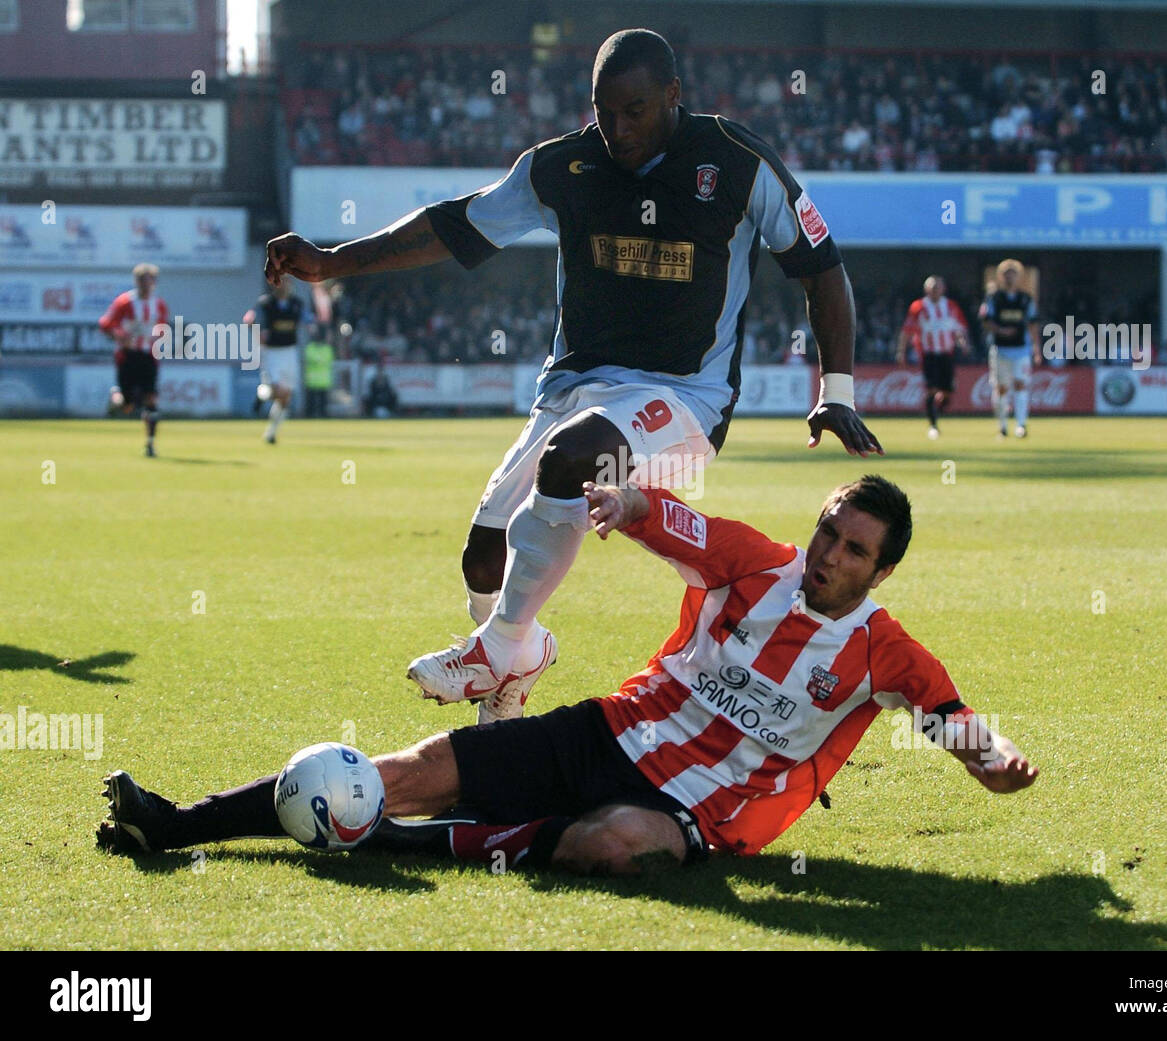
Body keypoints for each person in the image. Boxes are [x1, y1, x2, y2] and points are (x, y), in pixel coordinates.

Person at [262, 29, 883, 726]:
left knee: (575, 454)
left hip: (685, 401)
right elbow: (454, 226)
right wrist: (331, 261)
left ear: (674, 97)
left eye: (635, 111)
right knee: (482, 560)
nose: (616, 130)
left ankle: (495, 646)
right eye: (603, 111)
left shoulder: (737, 165)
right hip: (573, 389)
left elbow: (821, 267)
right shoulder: (564, 166)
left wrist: (837, 392)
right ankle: (509, 692)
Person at [95, 475, 1038, 875]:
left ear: (881, 570)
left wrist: (992, 757)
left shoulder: (885, 651)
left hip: (697, 815)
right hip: (608, 729)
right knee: (411, 771)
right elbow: (681, 524)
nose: (827, 552)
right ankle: (176, 824)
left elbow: (948, 716)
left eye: (851, 548)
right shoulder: (761, 563)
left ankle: (381, 844)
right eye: (828, 530)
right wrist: (628, 501)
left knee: (609, 847)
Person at [98, 263, 167, 457]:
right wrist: (119, 335)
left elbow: (162, 328)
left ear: (154, 282)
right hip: (127, 356)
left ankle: (150, 444)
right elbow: (105, 324)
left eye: (150, 281)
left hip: (149, 356)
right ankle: (116, 397)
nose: (146, 285)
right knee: (127, 406)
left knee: (151, 399)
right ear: (136, 282)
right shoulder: (124, 302)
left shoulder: (159, 304)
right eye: (142, 281)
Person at [896, 276, 969, 439]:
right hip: (928, 353)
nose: (935, 290)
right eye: (932, 287)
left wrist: (963, 343)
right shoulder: (918, 307)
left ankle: (937, 409)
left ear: (943, 289)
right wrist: (901, 351)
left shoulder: (950, 306)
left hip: (946, 353)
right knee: (931, 388)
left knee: (948, 390)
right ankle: (933, 424)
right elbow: (906, 330)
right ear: (926, 289)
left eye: (938, 287)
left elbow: (959, 328)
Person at [982, 259, 1041, 438]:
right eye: (1006, 273)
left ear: (1019, 276)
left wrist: (1037, 348)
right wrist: (1000, 330)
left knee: (1020, 385)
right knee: (1001, 388)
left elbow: (1032, 324)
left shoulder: (1026, 299)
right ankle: (1003, 425)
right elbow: (986, 321)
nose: (1010, 277)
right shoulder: (993, 298)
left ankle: (1021, 425)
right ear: (1000, 276)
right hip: (1000, 348)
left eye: (1013, 273)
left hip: (1021, 349)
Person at [250, 277, 306, 444]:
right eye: (283, 282)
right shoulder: (266, 304)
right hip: (272, 352)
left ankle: (271, 432)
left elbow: (306, 320)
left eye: (288, 282)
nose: (286, 286)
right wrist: (257, 334)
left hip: (289, 351)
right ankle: (262, 394)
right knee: (277, 391)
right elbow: (252, 321)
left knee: (285, 397)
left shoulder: (297, 303)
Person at [302, 324, 334, 418]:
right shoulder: (310, 347)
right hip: (312, 381)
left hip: (323, 381)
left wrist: (317, 360)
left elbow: (324, 359)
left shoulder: (327, 349)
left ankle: (323, 417)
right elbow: (310, 359)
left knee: (323, 404)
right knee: (310, 404)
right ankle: (308, 417)